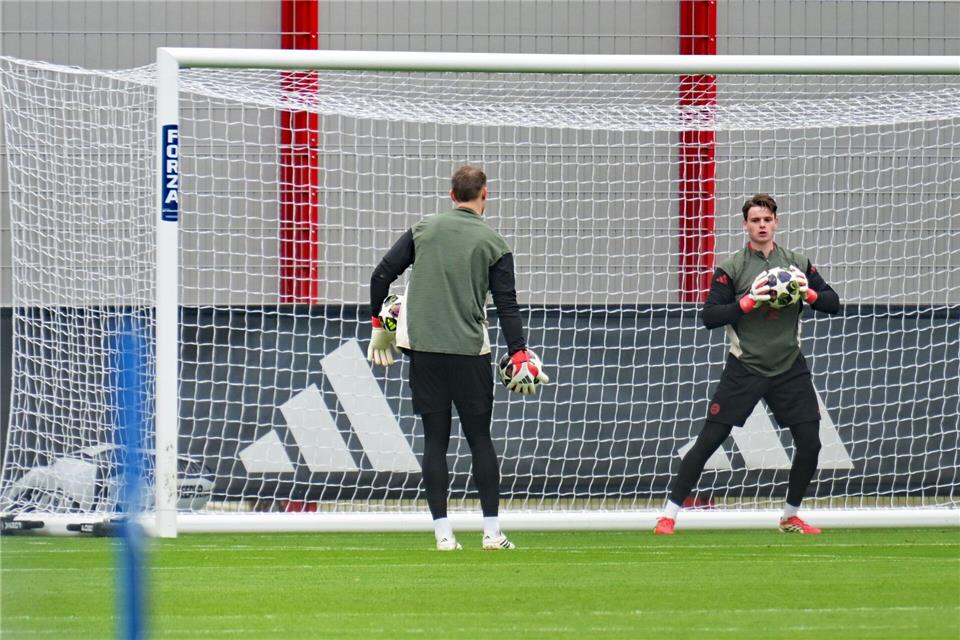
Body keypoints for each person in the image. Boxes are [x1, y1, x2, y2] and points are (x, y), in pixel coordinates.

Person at [367, 165, 548, 551]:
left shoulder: (423, 229)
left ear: (452, 196)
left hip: (425, 352)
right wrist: (518, 350)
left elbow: (380, 276)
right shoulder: (494, 242)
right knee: (479, 439)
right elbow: (507, 304)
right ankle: (492, 533)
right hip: (469, 353)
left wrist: (379, 323)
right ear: (485, 194)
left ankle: (443, 535)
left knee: (435, 441)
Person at [655, 193, 840, 535]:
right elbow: (710, 316)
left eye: (767, 220)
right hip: (745, 366)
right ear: (746, 226)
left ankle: (790, 516)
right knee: (709, 440)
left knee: (810, 443)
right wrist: (747, 302)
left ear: (776, 223)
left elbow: (833, 303)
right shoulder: (733, 267)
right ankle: (668, 515)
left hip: (789, 367)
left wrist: (809, 294)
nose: (762, 226)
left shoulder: (797, 263)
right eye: (755, 221)